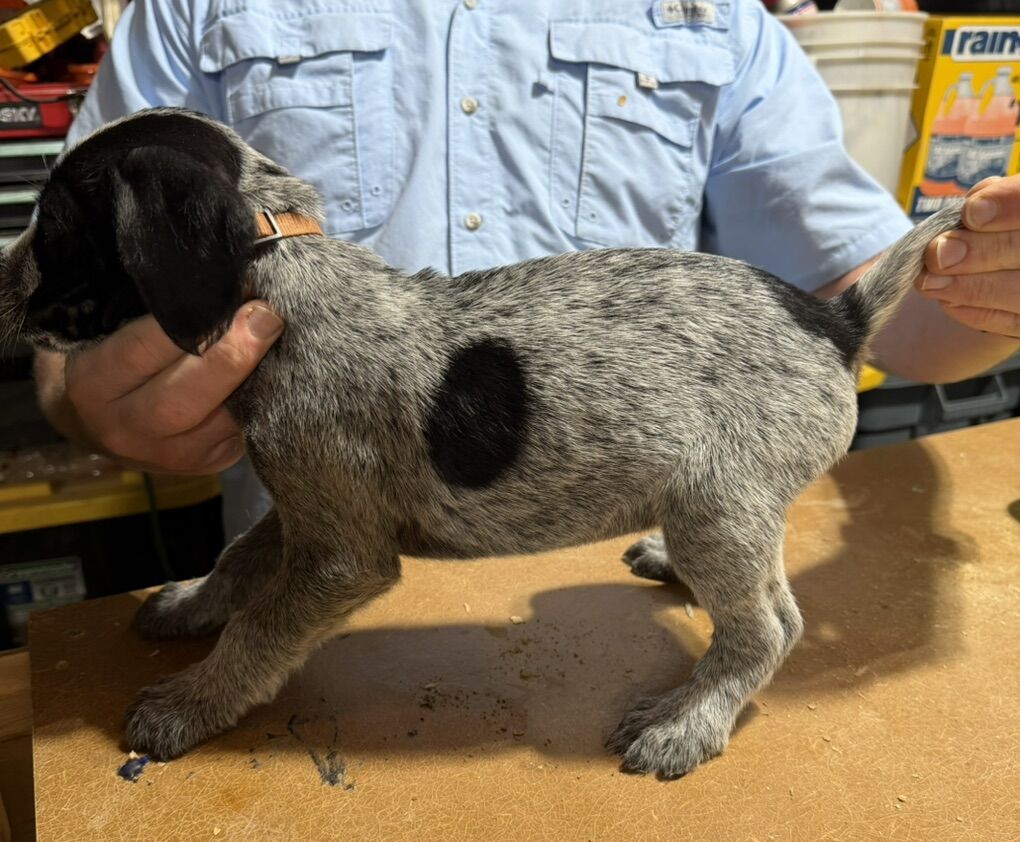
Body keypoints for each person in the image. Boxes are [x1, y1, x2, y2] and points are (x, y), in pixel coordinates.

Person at [35, 0, 1020, 539]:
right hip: (309, 573)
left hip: (604, 596)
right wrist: (85, 399)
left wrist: (992, 279)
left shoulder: (718, 22)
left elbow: (895, 315)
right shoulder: (189, 10)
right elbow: (66, 308)